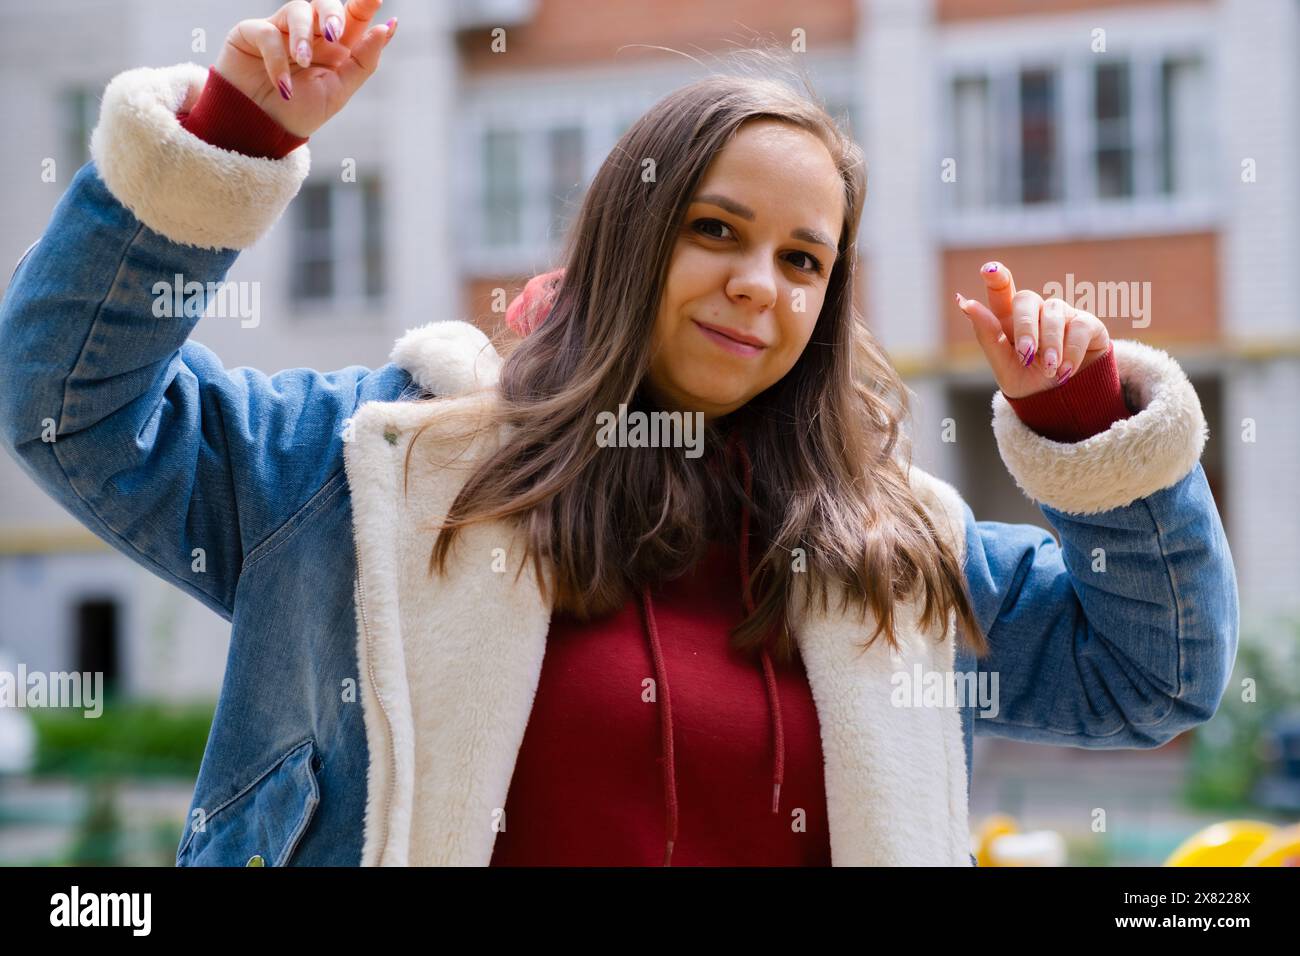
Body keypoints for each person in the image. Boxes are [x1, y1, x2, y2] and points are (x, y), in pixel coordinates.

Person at [0, 0, 1238, 867]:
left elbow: (1154, 673)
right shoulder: (376, 474)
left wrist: (1086, 426)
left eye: (804, 258)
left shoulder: (895, 549)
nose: (763, 282)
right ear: (626, 241)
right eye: (715, 229)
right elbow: (70, 406)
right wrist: (231, 136)